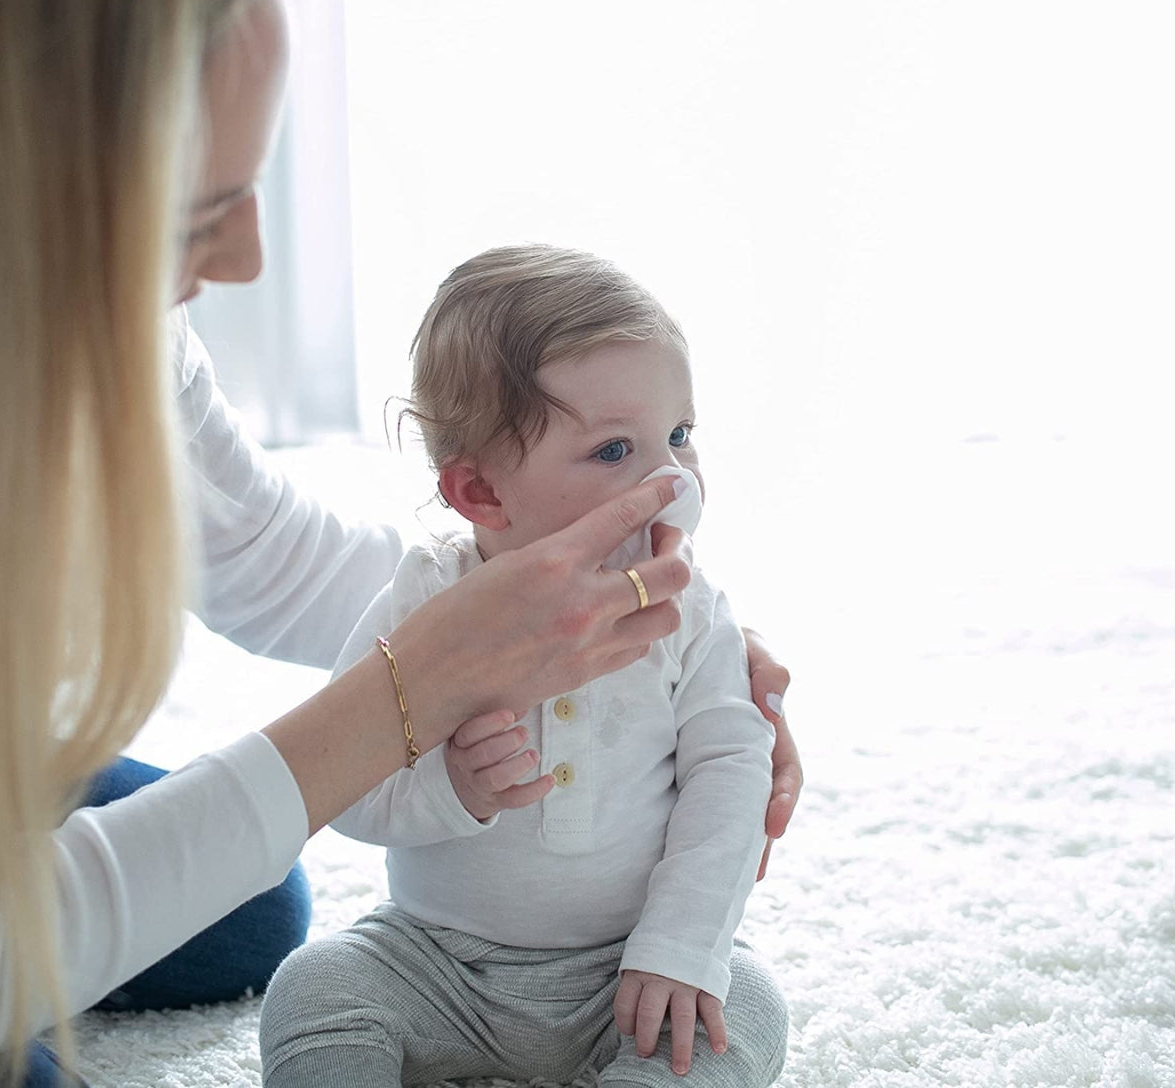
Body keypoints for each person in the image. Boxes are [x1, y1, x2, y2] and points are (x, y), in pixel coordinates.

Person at [0, 0, 798, 1086]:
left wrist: (540, 603)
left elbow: (253, 547)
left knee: (253, 915)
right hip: (440, 957)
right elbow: (377, 778)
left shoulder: (108, 336)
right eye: (193, 212)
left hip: (612, 965)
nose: (250, 260)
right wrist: (422, 683)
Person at [258, 245, 790, 1087]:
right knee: (313, 985)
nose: (674, 479)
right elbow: (344, 787)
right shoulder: (425, 604)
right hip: (434, 960)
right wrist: (451, 790)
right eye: (616, 451)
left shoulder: (692, 610)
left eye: (680, 435)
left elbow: (730, 772)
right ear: (482, 495)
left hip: (626, 967)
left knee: (746, 1003)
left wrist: (682, 944)